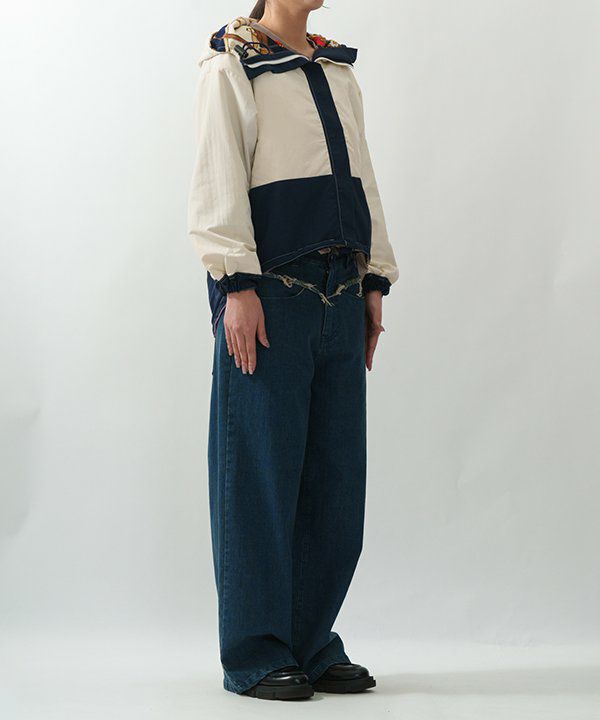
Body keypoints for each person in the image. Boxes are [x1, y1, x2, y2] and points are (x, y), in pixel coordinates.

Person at [187, 0, 399, 701]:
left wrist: (374, 278)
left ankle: (309, 641)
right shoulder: (233, 63)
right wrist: (235, 284)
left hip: (342, 287)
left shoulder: (336, 69)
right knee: (259, 476)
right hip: (271, 291)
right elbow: (217, 173)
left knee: (334, 480)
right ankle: (256, 652)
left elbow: (363, 177)